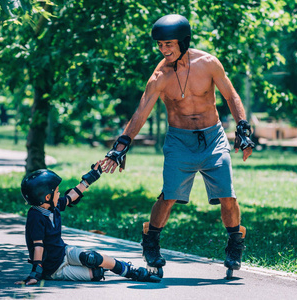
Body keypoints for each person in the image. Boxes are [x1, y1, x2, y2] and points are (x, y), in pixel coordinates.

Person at [101, 14, 255, 275]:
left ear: (184, 41)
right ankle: (150, 241)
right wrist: (121, 145)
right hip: (179, 141)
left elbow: (231, 95)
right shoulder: (159, 76)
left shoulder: (208, 64)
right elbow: (140, 113)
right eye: (160, 45)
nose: (164, 50)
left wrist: (242, 127)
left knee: (228, 195)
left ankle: (234, 244)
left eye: (169, 44)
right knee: (169, 196)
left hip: (213, 138)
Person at [15, 165, 161, 285]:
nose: (59, 194)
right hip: (53, 269)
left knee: (93, 258)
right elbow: (37, 246)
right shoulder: (36, 216)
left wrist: (91, 176)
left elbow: (71, 197)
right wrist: (36, 273)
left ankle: (131, 271)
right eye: (57, 191)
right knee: (96, 273)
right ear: (47, 197)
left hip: (64, 252)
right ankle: (106, 268)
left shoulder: (52, 206)